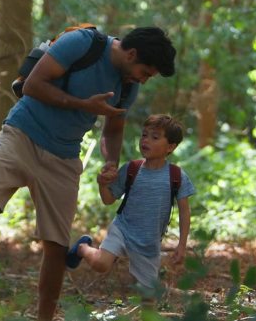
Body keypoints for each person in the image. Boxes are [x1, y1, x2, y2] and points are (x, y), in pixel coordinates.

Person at [0, 26, 177, 320]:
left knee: (57, 248)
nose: (144, 80)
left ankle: (44, 317)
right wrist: (81, 105)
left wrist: (110, 161)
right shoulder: (83, 43)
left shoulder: (127, 86)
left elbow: (114, 126)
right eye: (145, 72)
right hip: (22, 134)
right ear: (132, 54)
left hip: (63, 158)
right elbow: (33, 85)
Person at [65, 114, 195, 295]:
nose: (146, 140)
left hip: (149, 242)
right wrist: (102, 183)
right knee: (101, 264)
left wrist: (182, 244)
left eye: (155, 137)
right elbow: (109, 199)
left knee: (148, 296)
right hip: (123, 230)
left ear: (170, 147)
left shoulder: (176, 176)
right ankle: (82, 248)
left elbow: (184, 212)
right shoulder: (131, 169)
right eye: (144, 135)